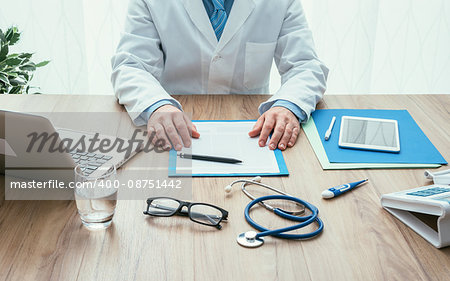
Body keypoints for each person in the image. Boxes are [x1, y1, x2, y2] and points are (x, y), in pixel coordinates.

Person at [111, 0, 328, 151]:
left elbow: (305, 65)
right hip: (173, 126)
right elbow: (131, 66)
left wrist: (287, 105)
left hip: (253, 131)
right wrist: (157, 105)